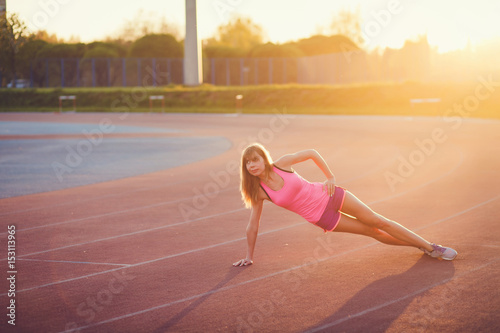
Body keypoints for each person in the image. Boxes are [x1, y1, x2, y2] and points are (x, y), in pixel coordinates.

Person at [233, 143, 457, 267]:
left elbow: (311, 152)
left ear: (264, 158)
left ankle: (430, 247)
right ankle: (417, 245)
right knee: (374, 233)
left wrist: (329, 177)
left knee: (378, 221)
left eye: (255, 159)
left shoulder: (282, 164)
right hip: (322, 217)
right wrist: (249, 256)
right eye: (248, 163)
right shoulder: (260, 192)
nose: (252, 165)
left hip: (330, 195)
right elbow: (253, 226)